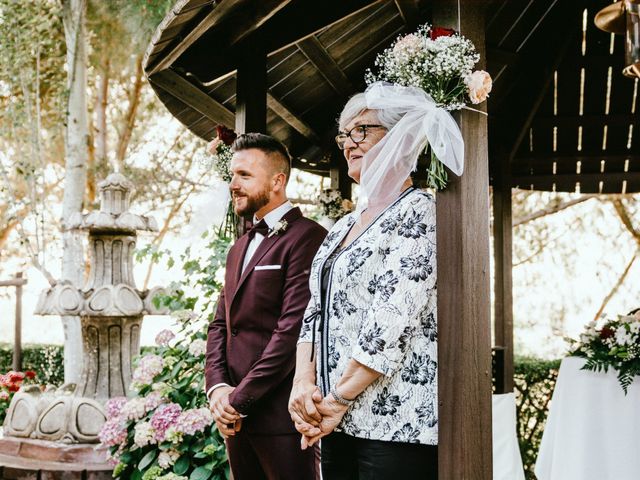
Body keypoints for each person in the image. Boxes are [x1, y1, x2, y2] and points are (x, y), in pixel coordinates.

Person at [288, 82, 464, 479]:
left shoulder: (419, 212)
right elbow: (313, 310)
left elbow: (391, 317)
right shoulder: (342, 226)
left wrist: (337, 399)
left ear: (402, 137)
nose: (349, 142)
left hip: (395, 421)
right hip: (336, 416)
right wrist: (303, 385)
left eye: (362, 130)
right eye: (344, 134)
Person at [205, 133, 326, 480]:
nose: (233, 184)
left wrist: (238, 401)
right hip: (236, 423)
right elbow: (220, 325)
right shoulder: (239, 247)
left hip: (281, 421)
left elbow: (291, 331)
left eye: (244, 175)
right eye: (232, 175)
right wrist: (217, 389)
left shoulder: (307, 237)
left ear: (277, 181)